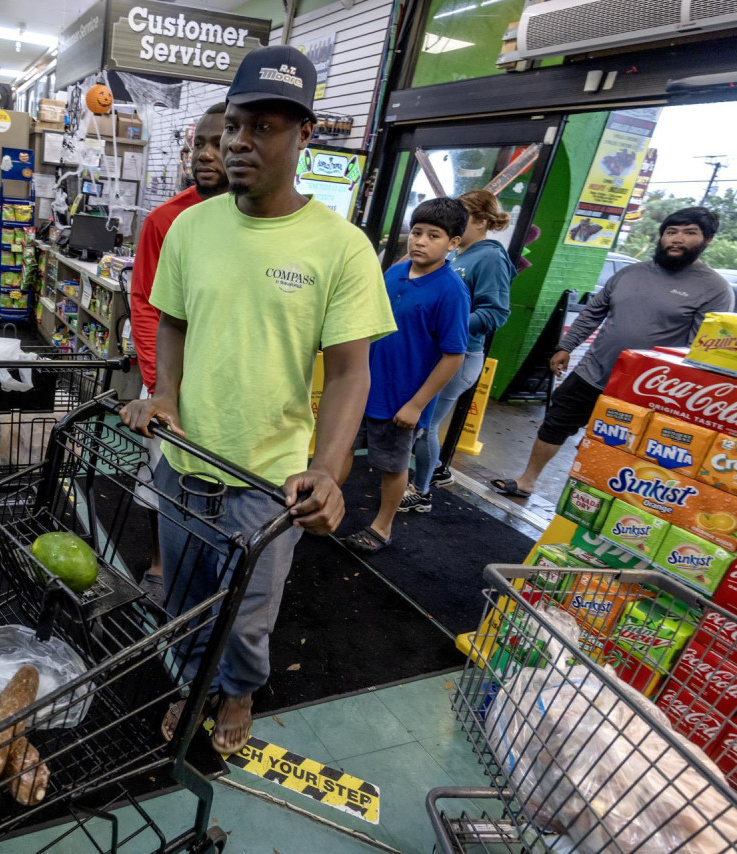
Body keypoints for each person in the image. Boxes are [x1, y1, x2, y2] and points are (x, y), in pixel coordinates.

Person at [119, 45, 395, 754]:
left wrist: (329, 471)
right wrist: (165, 397)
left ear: (305, 135)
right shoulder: (190, 228)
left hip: (266, 478)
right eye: (235, 125)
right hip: (182, 462)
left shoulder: (342, 248)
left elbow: (348, 373)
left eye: (265, 127)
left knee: (246, 611)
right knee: (181, 599)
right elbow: (173, 318)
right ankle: (191, 684)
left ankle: (238, 689)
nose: (241, 142)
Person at [494, 206, 733, 498]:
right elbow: (593, 313)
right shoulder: (630, 274)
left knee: (617, 444)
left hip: (646, 389)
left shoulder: (714, 289)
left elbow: (697, 350)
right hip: (592, 371)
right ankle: (527, 480)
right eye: (671, 232)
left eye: (689, 233)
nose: (677, 239)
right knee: (556, 423)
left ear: (707, 240)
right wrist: (566, 347)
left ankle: (594, 494)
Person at [129, 101, 228, 600]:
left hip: (228, 389)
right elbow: (146, 303)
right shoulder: (167, 220)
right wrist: (159, 382)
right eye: (199, 145)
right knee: (160, 474)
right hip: (170, 381)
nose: (205, 155)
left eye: (218, 142)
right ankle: (161, 560)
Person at [343, 199, 469, 553]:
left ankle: (382, 527)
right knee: (340, 449)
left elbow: (454, 355)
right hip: (363, 387)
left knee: (392, 466)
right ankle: (320, 509)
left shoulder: (451, 291)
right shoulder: (394, 273)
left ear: (453, 243)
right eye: (416, 233)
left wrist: (416, 405)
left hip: (403, 399)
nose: (421, 241)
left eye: (433, 235)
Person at [402, 190, 513, 512]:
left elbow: (496, 313)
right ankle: (429, 472)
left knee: (424, 425)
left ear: (480, 220)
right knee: (421, 424)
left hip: (461, 357)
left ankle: (421, 491)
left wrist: (450, 323)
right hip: (434, 353)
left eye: (462, 216)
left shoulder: (490, 257)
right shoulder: (458, 253)